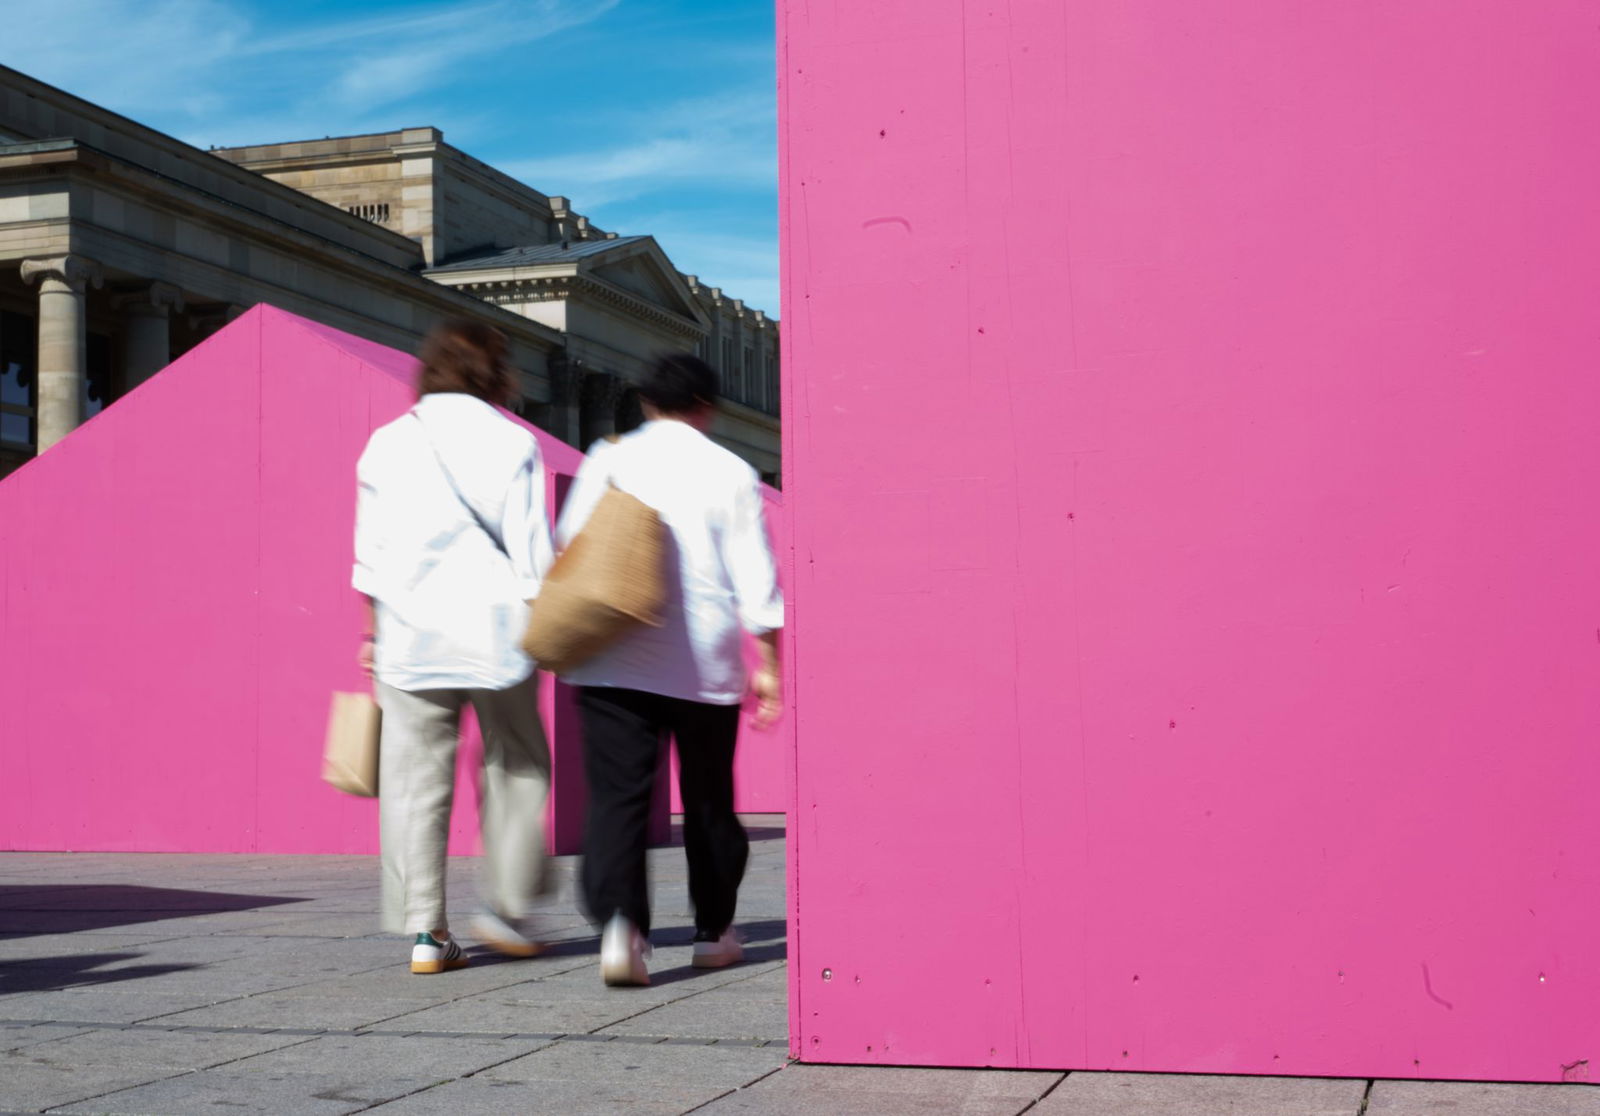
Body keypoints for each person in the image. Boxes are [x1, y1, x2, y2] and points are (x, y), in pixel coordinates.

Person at [555, 352, 783, 987]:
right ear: (707, 407)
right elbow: (756, 577)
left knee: (617, 799)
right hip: (702, 663)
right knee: (709, 799)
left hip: (613, 655)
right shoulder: (732, 470)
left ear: (648, 403)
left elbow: (569, 540)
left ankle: (623, 928)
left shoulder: (609, 456)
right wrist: (768, 662)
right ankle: (713, 931)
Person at [352, 319, 555, 974]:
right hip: (499, 632)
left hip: (409, 634)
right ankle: (507, 904)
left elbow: (369, 557)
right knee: (517, 764)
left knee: (414, 782)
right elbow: (533, 555)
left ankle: (425, 935)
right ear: (494, 373)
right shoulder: (512, 440)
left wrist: (371, 632)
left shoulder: (385, 444)